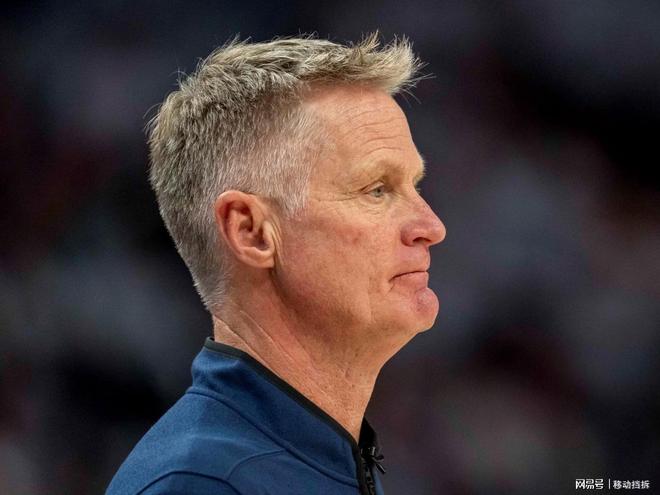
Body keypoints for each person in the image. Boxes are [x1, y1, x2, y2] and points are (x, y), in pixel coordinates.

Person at [106, 33, 446, 495]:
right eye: (377, 189)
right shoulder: (203, 483)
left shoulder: (309, 455)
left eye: (414, 186)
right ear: (251, 232)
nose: (431, 225)